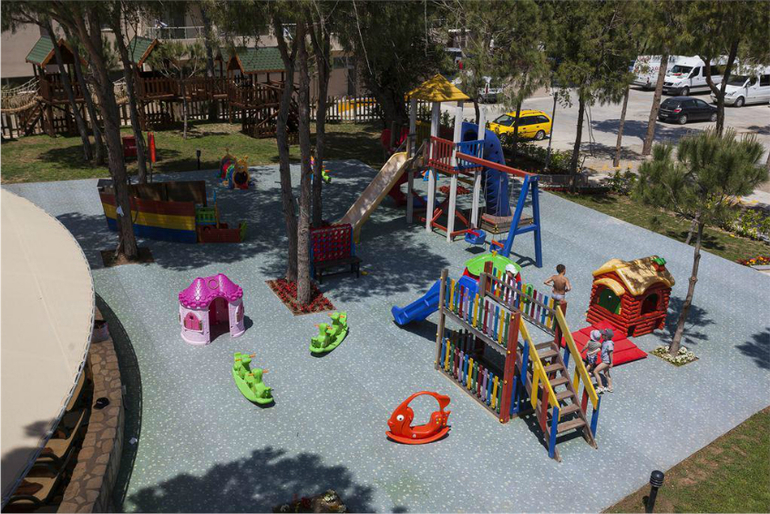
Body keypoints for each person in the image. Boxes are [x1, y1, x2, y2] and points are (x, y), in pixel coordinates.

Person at [593, 328, 614, 393]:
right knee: (606, 373)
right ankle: (610, 387)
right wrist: (594, 352)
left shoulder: (609, 344)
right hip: (605, 360)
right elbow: (600, 348)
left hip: (606, 361)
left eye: (603, 334)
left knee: (595, 371)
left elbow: (611, 353)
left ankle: (600, 387)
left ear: (606, 336)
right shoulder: (604, 341)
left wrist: (611, 363)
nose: (601, 335)